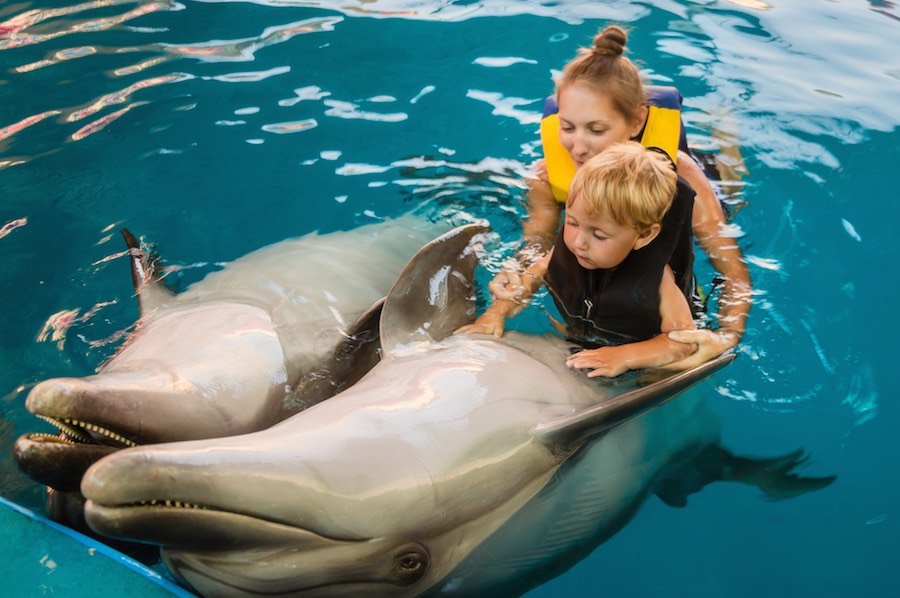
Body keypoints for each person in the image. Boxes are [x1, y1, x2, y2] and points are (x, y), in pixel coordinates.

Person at [490, 25, 750, 369]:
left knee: (733, 185)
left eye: (596, 130)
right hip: (605, 236)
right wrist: (513, 273)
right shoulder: (547, 176)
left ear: (636, 120)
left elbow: (733, 273)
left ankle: (726, 135)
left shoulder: (679, 176)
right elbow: (537, 245)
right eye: (567, 127)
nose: (578, 148)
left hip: (699, 177)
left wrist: (726, 335)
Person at [457, 143, 696, 378]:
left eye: (599, 235)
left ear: (644, 235)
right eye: (572, 222)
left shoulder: (659, 280)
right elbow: (529, 280)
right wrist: (496, 313)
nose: (578, 242)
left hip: (629, 349)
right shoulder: (569, 249)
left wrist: (625, 356)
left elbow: (683, 343)